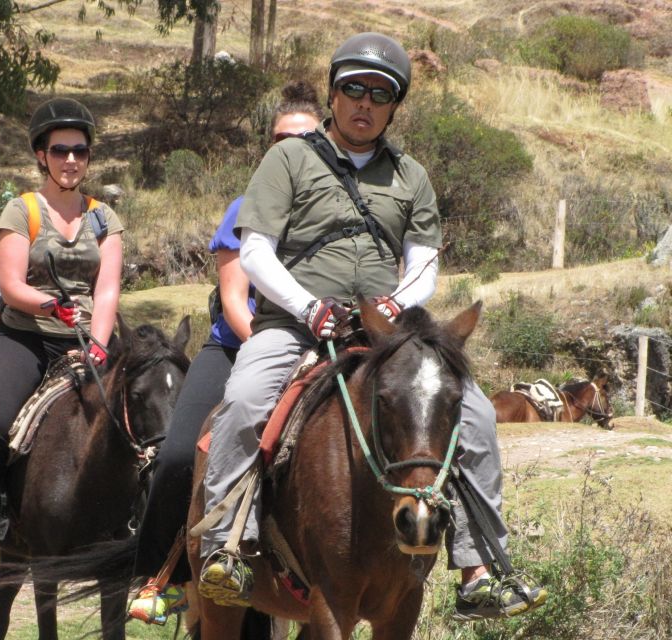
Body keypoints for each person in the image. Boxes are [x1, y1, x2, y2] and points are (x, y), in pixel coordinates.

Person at [197, 32, 549, 621]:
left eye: (379, 94)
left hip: (381, 330)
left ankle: (479, 569)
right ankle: (226, 547)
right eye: (353, 89)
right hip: (293, 322)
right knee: (244, 399)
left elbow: (425, 263)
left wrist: (391, 307)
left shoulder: (411, 177)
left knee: (478, 413)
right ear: (333, 95)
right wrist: (309, 307)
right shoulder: (287, 158)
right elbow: (256, 251)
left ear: (392, 107)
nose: (364, 102)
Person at [126, 82, 325, 625]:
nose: (293, 150)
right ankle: (161, 577)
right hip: (239, 347)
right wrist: (275, 346)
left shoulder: (336, 212)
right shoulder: (244, 206)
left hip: (321, 348)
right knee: (174, 457)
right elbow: (237, 301)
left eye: (306, 140)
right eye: (282, 139)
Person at [0, 97, 124, 574]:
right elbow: (10, 283)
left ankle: (137, 535)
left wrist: (99, 343)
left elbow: (107, 288)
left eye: (80, 151)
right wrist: (51, 305)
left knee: (143, 422)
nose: (71, 160)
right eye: (60, 149)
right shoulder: (22, 209)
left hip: (87, 339)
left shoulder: (104, 218)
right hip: (25, 335)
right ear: (41, 155)